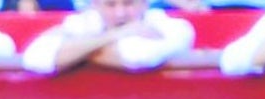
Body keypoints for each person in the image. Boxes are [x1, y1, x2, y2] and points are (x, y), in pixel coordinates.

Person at [21, 0, 195, 75]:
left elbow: (137, 57)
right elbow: (35, 57)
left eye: (128, 3)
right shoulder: (84, 22)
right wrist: (116, 34)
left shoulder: (171, 26)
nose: (120, 13)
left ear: (144, 3)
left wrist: (74, 52)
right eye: (111, 4)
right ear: (95, 5)